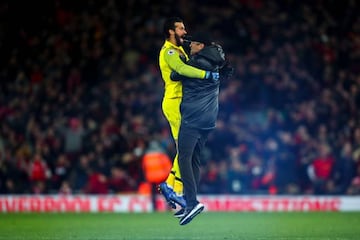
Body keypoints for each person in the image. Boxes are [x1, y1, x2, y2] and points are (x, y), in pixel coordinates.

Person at [158, 17, 219, 212]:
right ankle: (170, 187)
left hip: (183, 103)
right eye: (181, 29)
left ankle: (177, 195)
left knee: (185, 151)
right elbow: (182, 69)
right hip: (174, 102)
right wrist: (207, 75)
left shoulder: (180, 50)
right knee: (184, 150)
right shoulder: (168, 52)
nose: (185, 32)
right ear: (170, 32)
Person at [170, 32, 231, 225]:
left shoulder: (197, 64)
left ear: (202, 46)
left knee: (184, 158)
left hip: (193, 118)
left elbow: (174, 74)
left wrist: (181, 61)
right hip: (208, 119)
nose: (190, 46)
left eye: (194, 44)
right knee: (195, 159)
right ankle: (190, 202)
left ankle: (191, 202)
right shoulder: (216, 64)